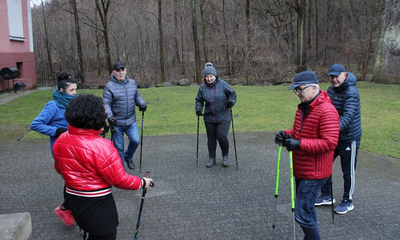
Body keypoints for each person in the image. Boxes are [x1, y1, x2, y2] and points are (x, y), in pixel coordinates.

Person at [52, 94, 153, 240]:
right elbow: (119, 179)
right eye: (103, 114)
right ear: (93, 118)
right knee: (106, 235)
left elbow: (59, 168)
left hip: (73, 197)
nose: (106, 118)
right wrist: (142, 182)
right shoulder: (102, 146)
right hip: (96, 203)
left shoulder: (62, 138)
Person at [274, 71, 339, 240]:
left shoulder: (327, 110)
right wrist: (286, 135)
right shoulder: (303, 108)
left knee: (302, 212)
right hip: (302, 168)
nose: (297, 93)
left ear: (314, 88)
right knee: (308, 210)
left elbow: (330, 143)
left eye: (300, 89)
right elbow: (298, 132)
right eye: (295, 90)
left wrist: (299, 144)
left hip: (315, 172)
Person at [30, 72, 77, 226]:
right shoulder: (53, 106)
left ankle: (69, 207)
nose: (75, 93)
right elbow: (35, 124)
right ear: (62, 90)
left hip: (76, 147)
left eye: (76, 90)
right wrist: (56, 131)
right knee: (73, 180)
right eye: (72, 90)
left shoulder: (75, 104)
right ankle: (65, 208)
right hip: (61, 150)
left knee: (75, 179)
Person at [315, 64, 362, 215]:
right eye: (331, 76)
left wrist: (329, 130)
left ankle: (348, 201)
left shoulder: (351, 92)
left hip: (349, 138)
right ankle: (327, 195)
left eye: (337, 76)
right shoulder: (330, 90)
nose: (334, 79)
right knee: (325, 164)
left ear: (344, 75)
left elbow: (347, 117)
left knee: (348, 172)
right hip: (334, 137)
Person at [103, 61, 147, 170]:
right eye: (118, 71)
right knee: (119, 148)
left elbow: (137, 97)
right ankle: (121, 170)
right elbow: (106, 103)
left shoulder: (132, 83)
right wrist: (110, 116)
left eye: (122, 70)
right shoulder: (109, 86)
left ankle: (128, 157)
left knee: (135, 140)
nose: (121, 72)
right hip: (117, 122)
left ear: (125, 70)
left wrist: (142, 104)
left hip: (131, 120)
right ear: (113, 72)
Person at [195, 62, 237, 167]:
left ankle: (225, 156)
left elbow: (232, 94)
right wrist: (199, 108)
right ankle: (211, 158)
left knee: (221, 136)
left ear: (215, 76)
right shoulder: (202, 87)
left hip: (223, 116)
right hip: (209, 117)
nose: (209, 78)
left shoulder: (223, 84)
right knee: (211, 138)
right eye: (207, 77)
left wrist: (231, 102)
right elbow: (199, 100)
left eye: (211, 76)